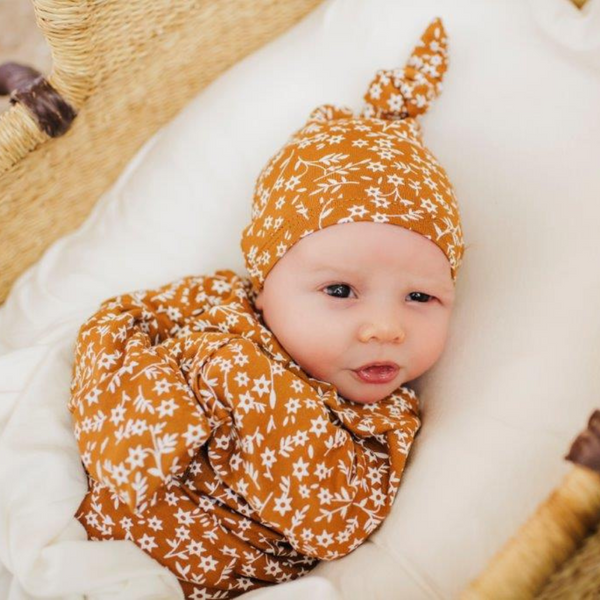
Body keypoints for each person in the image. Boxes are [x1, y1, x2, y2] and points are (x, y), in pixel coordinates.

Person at [68, 17, 466, 599]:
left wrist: (241, 379)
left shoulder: (378, 423)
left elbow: (334, 522)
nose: (386, 328)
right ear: (264, 283)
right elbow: (110, 326)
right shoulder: (217, 301)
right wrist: (142, 407)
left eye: (421, 297)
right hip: (91, 519)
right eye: (339, 291)